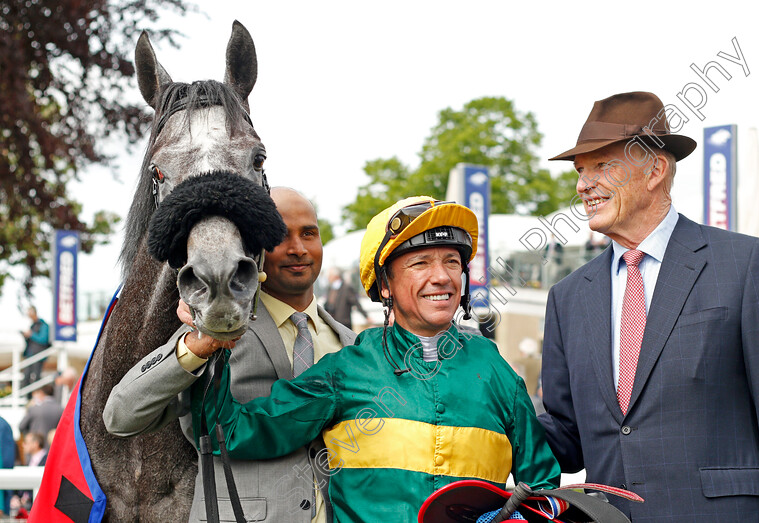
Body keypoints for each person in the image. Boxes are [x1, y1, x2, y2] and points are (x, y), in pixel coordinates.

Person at [539, 91, 759, 521]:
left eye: (603, 166)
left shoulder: (744, 264)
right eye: (580, 171)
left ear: (655, 170)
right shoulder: (568, 297)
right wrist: (482, 399)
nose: (582, 185)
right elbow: (566, 438)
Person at [196, 197, 561, 522]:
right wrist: (212, 343)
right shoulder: (346, 369)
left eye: (452, 262)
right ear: (384, 286)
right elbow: (233, 432)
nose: (441, 277)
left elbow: (544, 489)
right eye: (420, 263)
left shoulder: (496, 370)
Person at [104, 187, 356, 523]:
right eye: (281, 236)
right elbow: (120, 416)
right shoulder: (217, 328)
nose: (298, 249)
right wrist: (198, 346)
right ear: (254, 249)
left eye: (309, 234)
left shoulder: (351, 343)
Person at [21, 306, 50, 389]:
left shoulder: (43, 325)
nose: (28, 315)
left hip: (38, 355)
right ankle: (28, 397)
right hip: (30, 354)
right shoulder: (32, 325)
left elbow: (44, 339)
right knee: (26, 376)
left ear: (34, 312)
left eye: (29, 313)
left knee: (36, 377)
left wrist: (31, 334)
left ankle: (35, 396)